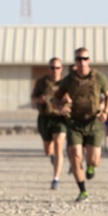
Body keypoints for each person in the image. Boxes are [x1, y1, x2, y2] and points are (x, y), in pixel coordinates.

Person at [53, 48, 108, 203]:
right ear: (75, 61)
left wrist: (105, 111)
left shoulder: (98, 77)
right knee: (75, 156)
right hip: (75, 123)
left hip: (94, 122)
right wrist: (60, 108)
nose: (82, 62)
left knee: (94, 160)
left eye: (85, 59)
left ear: (89, 60)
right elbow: (56, 97)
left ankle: (91, 167)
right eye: (79, 59)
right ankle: (82, 191)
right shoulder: (69, 79)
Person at [31, 58, 68, 189]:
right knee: (48, 149)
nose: (55, 71)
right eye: (52, 68)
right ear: (48, 68)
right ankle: (52, 156)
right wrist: (39, 100)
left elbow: (73, 99)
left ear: (61, 68)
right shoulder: (42, 82)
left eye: (57, 68)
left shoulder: (66, 82)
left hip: (60, 118)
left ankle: (56, 178)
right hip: (45, 117)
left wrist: (67, 102)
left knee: (59, 145)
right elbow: (33, 97)